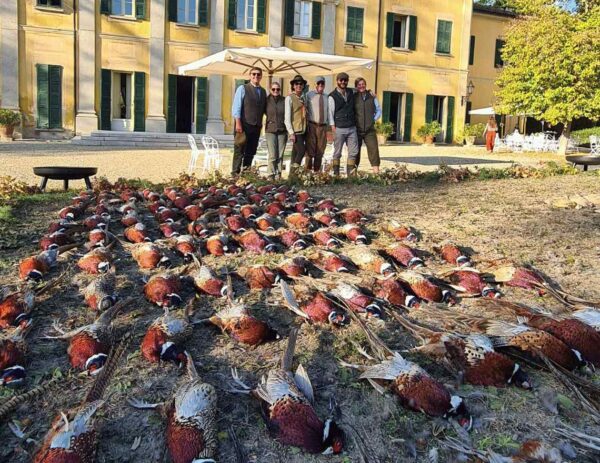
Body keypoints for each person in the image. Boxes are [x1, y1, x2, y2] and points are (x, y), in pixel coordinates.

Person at [231, 67, 267, 175]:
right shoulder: (242, 88)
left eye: (258, 74)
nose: (256, 76)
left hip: (256, 126)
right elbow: (236, 107)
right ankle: (235, 174)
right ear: (250, 75)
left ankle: (246, 174)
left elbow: (265, 109)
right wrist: (238, 122)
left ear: (261, 76)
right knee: (239, 150)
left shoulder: (263, 91)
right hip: (243, 125)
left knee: (250, 152)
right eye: (254, 74)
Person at [328, 72, 359, 176]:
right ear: (337, 81)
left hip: (352, 127)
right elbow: (330, 113)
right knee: (337, 152)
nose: (343, 82)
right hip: (339, 127)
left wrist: (370, 91)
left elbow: (361, 89)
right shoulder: (332, 96)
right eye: (341, 80)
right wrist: (333, 127)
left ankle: (351, 176)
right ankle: (336, 175)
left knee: (353, 152)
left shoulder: (351, 91)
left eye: (345, 80)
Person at [353, 77, 382, 174]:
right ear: (356, 86)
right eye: (359, 84)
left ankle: (376, 172)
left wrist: (373, 119)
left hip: (370, 129)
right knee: (355, 151)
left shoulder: (372, 96)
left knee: (374, 150)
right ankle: (354, 172)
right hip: (357, 128)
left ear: (365, 85)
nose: (361, 86)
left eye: (363, 84)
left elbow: (378, 110)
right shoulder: (354, 97)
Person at [284, 74, 308, 179]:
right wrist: (291, 132)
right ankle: (295, 174)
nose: (298, 86)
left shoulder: (303, 98)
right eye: (296, 84)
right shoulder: (289, 98)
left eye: (300, 84)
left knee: (295, 153)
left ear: (303, 86)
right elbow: (287, 118)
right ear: (293, 86)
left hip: (303, 129)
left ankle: (291, 177)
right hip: (295, 130)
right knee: (302, 151)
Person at [304, 76, 329, 172]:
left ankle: (317, 173)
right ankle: (307, 173)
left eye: (322, 83)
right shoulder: (309, 95)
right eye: (319, 83)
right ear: (315, 84)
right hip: (312, 125)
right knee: (310, 151)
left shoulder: (327, 97)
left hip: (323, 127)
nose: (320, 85)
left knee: (320, 151)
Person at [264, 81, 287, 180]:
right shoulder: (266, 100)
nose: (276, 91)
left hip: (282, 129)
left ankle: (278, 174)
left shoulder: (284, 100)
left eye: (278, 89)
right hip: (270, 130)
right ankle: (270, 174)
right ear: (270, 90)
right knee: (273, 154)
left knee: (280, 154)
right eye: (273, 89)